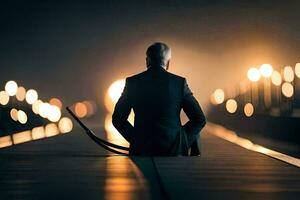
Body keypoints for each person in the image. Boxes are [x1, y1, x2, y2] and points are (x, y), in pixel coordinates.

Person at [112, 42, 206, 156]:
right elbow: (199, 119)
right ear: (168, 63)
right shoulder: (179, 83)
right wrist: (182, 141)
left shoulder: (133, 82)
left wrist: (136, 139)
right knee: (196, 133)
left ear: (147, 61)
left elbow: (117, 119)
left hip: (142, 148)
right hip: (172, 149)